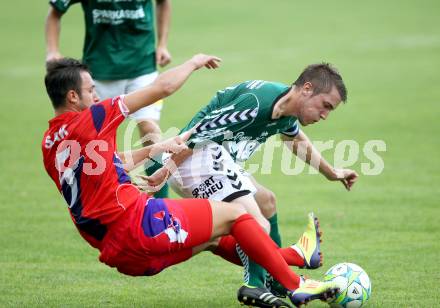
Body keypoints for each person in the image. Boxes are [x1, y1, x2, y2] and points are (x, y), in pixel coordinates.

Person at [41, 55, 338, 307]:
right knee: (238, 215)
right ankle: (294, 283)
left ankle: (295, 256)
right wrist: (194, 62)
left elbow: (109, 162)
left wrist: (155, 149)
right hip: (139, 225)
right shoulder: (93, 117)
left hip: (122, 256)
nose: (97, 97)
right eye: (91, 91)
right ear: (72, 97)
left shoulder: (49, 144)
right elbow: (162, 87)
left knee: (214, 237)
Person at [143, 63, 359, 307]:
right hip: (193, 161)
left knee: (267, 201)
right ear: (307, 89)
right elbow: (196, 135)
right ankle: (256, 284)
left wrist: (331, 172)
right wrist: (165, 170)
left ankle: (275, 277)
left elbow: (295, 140)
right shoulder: (255, 104)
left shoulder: (286, 110)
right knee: (258, 224)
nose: (324, 116)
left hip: (218, 159)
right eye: (325, 106)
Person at [45, 0, 172, 198]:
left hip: (142, 68)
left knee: (149, 128)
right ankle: (102, 199)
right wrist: (52, 50)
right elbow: (55, 11)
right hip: (98, 75)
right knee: (93, 139)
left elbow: (163, 3)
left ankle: (163, 201)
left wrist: (162, 44)